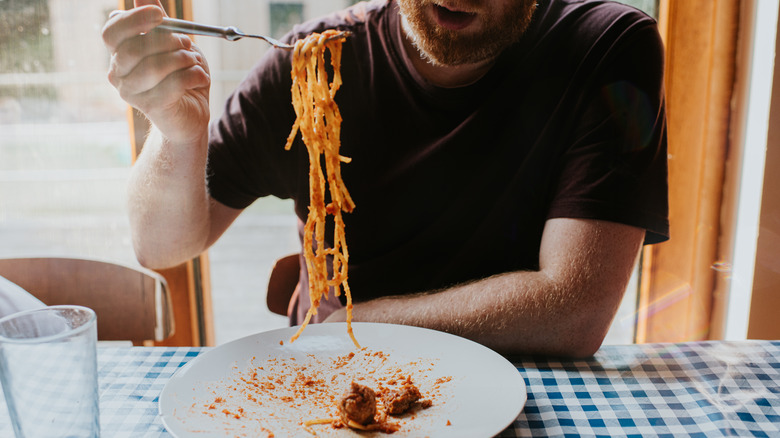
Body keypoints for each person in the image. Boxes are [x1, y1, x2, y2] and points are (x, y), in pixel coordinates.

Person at [102, 0, 669, 357]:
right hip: (332, 378)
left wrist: (355, 321)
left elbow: (576, 311)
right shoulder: (312, 62)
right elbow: (160, 244)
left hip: (516, 387)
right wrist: (176, 134)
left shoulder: (606, 46)